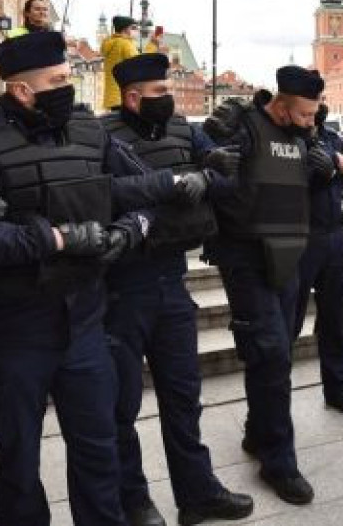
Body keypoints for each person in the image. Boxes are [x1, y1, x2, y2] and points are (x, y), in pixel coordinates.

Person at [0, 31, 213, 526]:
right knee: (17, 458)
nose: (72, 86)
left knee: (98, 448)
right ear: (23, 90)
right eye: (61, 80)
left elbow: (142, 190)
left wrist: (130, 230)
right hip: (14, 326)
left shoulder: (88, 131)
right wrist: (53, 240)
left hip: (86, 320)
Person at [100, 53, 253, 526]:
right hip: (121, 287)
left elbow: (226, 180)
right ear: (131, 97)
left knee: (183, 397)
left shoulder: (187, 132)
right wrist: (174, 187)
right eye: (160, 93)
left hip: (171, 279)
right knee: (121, 405)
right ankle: (135, 500)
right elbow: (104, 195)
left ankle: (197, 492)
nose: (168, 99)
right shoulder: (103, 137)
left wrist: (210, 170)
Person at [202, 65, 328, 506]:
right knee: (270, 352)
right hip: (247, 255)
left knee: (277, 352)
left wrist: (325, 166)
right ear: (281, 103)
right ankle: (280, 462)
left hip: (290, 253)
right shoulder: (245, 126)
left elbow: (307, 179)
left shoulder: (303, 134)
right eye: (306, 114)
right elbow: (210, 171)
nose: (313, 122)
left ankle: (259, 434)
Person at [294, 103, 343, 420]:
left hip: (334, 237)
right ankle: (269, 408)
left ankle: (337, 389)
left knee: (334, 320)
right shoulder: (285, 139)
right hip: (296, 241)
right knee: (286, 325)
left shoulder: (332, 138)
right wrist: (322, 168)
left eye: (321, 97)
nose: (318, 105)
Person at [101, 16, 141, 110]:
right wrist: (153, 45)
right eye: (133, 28)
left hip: (112, 97)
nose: (136, 31)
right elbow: (140, 64)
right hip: (125, 96)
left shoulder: (110, 43)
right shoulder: (125, 44)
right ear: (124, 29)